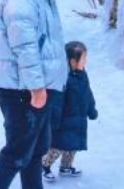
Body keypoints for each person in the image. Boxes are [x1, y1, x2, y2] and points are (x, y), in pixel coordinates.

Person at [0, 0, 68, 189]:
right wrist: (37, 88)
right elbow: (25, 47)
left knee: (34, 151)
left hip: (33, 86)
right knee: (17, 153)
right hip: (23, 90)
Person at [42, 41, 98, 182]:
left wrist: (92, 110)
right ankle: (44, 165)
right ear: (73, 61)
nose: (86, 61)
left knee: (73, 146)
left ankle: (66, 166)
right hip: (64, 122)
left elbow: (88, 94)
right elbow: (56, 103)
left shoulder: (82, 74)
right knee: (58, 147)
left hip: (78, 119)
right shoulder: (63, 79)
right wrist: (54, 122)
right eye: (83, 58)